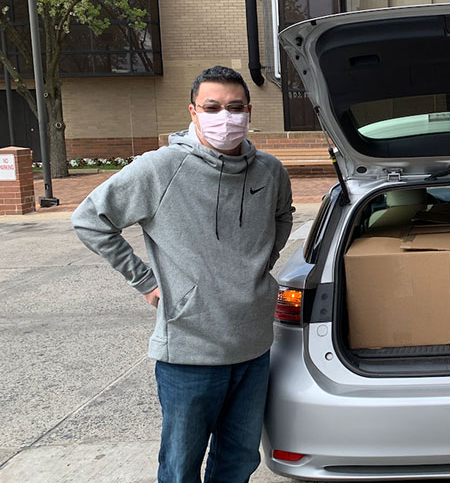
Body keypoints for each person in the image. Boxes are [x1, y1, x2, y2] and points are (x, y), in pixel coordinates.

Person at [72, 65, 294, 483]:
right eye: (212, 107)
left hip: (253, 346)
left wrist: (261, 264)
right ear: (193, 112)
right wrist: (145, 281)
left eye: (235, 107)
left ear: (249, 112)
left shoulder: (269, 170)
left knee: (239, 459)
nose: (225, 117)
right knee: (180, 466)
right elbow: (90, 220)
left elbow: (283, 215)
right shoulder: (159, 168)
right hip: (190, 350)